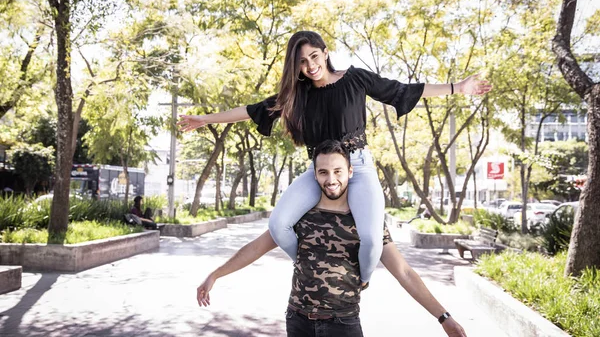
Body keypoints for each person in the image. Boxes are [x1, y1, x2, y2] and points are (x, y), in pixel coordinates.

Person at [178, 30, 491, 285]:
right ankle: (313, 264)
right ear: (296, 66)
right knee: (279, 225)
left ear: (325, 52)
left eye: (314, 56)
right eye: (302, 62)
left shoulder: (355, 80)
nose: (310, 65)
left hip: (359, 168)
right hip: (319, 172)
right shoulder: (297, 95)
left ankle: (360, 279)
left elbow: (403, 90)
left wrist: (458, 87)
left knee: (370, 239)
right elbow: (251, 111)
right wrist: (203, 119)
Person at [196, 140, 467, 337]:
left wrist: (444, 318)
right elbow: (256, 247)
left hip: (343, 324)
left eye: (338, 171)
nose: (331, 179)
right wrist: (215, 274)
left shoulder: (366, 220)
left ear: (350, 172)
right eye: (323, 172)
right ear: (315, 175)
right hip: (298, 320)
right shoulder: (302, 216)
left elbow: (404, 272)